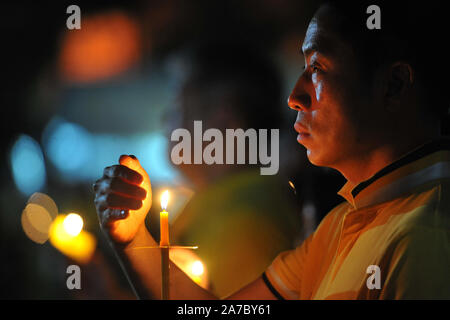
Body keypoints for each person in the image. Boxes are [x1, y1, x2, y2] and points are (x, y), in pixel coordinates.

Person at [93, 1, 450, 299]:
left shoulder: (426, 240)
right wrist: (133, 238)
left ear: (393, 85)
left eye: (318, 68)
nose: (295, 97)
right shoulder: (341, 225)